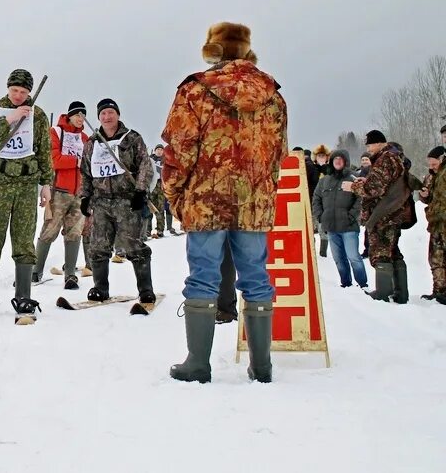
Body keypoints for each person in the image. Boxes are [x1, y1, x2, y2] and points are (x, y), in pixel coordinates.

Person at [163, 22, 286, 384]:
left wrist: (175, 194)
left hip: (207, 200)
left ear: (213, 52)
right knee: (256, 277)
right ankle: (262, 367)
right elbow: (278, 153)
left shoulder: (196, 90)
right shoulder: (273, 94)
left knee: (203, 276)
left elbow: (179, 149)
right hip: (253, 203)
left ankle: (198, 363)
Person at [0, 69, 53, 322]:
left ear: (29, 92)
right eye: (14, 90)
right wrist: (11, 118)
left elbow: (44, 151)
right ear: (8, 88)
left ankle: (24, 296)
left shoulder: (38, 115)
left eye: (23, 92)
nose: (18, 95)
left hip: (27, 184)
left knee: (24, 238)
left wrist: (46, 184)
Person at [78, 98, 156, 304]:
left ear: (118, 115)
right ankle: (100, 288)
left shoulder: (132, 138)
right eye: (102, 114)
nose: (107, 117)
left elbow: (145, 165)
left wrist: (140, 191)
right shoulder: (92, 143)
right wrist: (85, 197)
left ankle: (146, 289)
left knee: (133, 245)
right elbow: (85, 172)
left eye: (110, 113)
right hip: (101, 201)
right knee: (98, 246)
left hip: (126, 200)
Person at [343, 131, 411, 304]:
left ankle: (383, 292)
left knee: (380, 252)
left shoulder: (385, 158)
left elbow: (375, 188)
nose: (368, 149)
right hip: (393, 213)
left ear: (379, 143)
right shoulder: (395, 157)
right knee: (393, 252)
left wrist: (354, 186)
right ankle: (400, 292)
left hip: (383, 214)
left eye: (369, 145)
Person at [33, 101, 90, 289]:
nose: (81, 119)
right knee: (49, 230)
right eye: (78, 115)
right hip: (59, 191)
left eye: (83, 116)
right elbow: (53, 160)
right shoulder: (55, 132)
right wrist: (76, 161)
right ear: (70, 115)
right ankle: (36, 271)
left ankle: (70, 274)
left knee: (74, 233)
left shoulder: (85, 138)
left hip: (79, 193)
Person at [312, 150, 367, 288]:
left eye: (340, 159)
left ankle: (362, 284)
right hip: (331, 227)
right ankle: (346, 283)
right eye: (335, 159)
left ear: (346, 162)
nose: (337, 161)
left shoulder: (354, 179)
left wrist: (351, 216)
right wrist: (320, 216)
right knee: (338, 259)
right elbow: (316, 199)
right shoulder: (324, 181)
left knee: (353, 257)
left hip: (349, 227)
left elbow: (360, 200)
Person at [418, 146, 446, 304]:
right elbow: (429, 198)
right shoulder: (431, 176)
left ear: (442, 160)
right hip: (435, 223)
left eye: (434, 164)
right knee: (435, 259)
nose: (431, 167)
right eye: (429, 165)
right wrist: (425, 196)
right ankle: (439, 291)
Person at [313, 144, 331, 256]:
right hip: (313, 200)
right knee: (311, 227)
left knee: (323, 228)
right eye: (319, 155)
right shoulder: (311, 168)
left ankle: (323, 252)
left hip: (325, 202)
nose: (321, 157)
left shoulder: (329, 169)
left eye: (323, 155)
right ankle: (312, 251)